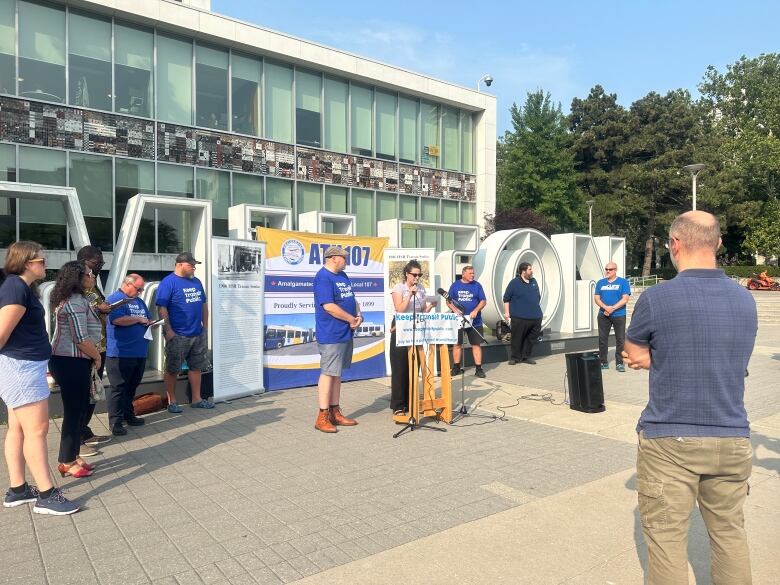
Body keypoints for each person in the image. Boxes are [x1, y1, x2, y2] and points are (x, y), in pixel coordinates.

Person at [623, 211, 757, 585]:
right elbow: (735, 360)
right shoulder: (745, 300)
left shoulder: (656, 298)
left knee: (666, 541)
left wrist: (657, 357)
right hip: (732, 436)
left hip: (670, 439)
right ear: (717, 244)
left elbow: (634, 353)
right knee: (730, 535)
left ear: (675, 244)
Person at [0, 242, 79, 515]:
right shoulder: (15, 287)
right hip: (22, 367)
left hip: (21, 365)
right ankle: (46, 495)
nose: (45, 265)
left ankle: (18, 489)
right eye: (41, 261)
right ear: (25, 262)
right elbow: (1, 332)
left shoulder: (21, 287)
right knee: (37, 430)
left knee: (18, 429)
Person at [50, 261, 102, 480]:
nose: (93, 277)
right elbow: (80, 339)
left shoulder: (80, 300)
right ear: (78, 278)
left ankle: (74, 454)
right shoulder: (73, 303)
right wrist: (97, 356)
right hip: (70, 361)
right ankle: (66, 460)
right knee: (74, 412)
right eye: (89, 274)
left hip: (77, 361)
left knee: (80, 409)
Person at [312, 246, 361, 433]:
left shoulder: (343, 276)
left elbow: (352, 300)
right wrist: (350, 319)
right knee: (328, 372)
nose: (347, 260)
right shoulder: (323, 277)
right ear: (333, 258)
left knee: (337, 373)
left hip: (345, 332)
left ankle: (335, 411)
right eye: (344, 258)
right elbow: (329, 306)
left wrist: (359, 315)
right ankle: (322, 415)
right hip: (331, 333)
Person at [156, 252, 213, 412]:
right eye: (191, 265)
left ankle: (197, 399)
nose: (194, 267)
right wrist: (168, 331)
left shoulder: (196, 282)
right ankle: (172, 401)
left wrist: (205, 328)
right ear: (180, 264)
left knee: (197, 367)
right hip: (178, 334)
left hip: (198, 333)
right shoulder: (168, 283)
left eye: (194, 265)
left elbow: (203, 305)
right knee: (173, 368)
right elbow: (162, 307)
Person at [76, 245, 112, 454]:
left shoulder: (94, 281)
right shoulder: (76, 282)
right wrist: (99, 308)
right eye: (96, 261)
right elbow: (75, 308)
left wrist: (104, 309)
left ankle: (85, 429)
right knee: (83, 394)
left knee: (93, 393)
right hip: (87, 348)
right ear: (84, 261)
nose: (100, 265)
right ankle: (76, 439)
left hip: (101, 345)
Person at [105, 274, 151, 436]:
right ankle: (115, 421)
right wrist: (138, 319)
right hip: (120, 352)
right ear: (127, 284)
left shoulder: (138, 301)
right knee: (118, 387)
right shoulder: (115, 299)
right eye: (138, 289)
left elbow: (146, 318)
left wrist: (150, 323)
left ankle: (128, 414)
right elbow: (117, 320)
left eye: (141, 289)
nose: (140, 292)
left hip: (139, 351)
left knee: (132, 386)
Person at [389, 260, 436, 416]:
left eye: (419, 274)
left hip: (415, 327)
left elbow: (421, 310)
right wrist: (410, 293)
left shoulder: (421, 288)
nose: (417, 277)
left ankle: (411, 401)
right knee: (400, 367)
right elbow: (400, 309)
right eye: (414, 274)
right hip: (401, 327)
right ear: (407, 274)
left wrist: (430, 306)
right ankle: (398, 405)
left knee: (413, 366)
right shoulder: (399, 288)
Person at [447, 266, 487, 378]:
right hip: (458, 320)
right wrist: (455, 310)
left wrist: (476, 310)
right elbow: (448, 301)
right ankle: (456, 367)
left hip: (475, 321)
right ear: (463, 274)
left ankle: (479, 369)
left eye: (473, 273)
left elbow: (483, 301)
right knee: (457, 344)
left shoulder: (477, 285)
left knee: (476, 344)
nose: (472, 275)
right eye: (470, 273)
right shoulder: (455, 285)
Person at [594, 262, 631, 372]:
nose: (608, 271)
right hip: (603, 315)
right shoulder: (600, 283)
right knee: (602, 339)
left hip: (619, 315)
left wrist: (612, 308)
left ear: (615, 270)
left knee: (620, 339)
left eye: (610, 269)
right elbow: (596, 298)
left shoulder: (623, 282)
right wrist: (606, 308)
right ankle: (603, 362)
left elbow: (625, 299)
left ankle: (619, 363)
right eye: (606, 269)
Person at [503, 262, 543, 365]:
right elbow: (506, 299)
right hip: (519, 317)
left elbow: (537, 296)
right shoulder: (514, 283)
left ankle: (526, 357)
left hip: (536, 317)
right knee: (517, 338)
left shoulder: (534, 281)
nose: (532, 271)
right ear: (523, 271)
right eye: (530, 269)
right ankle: (515, 358)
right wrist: (507, 313)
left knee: (531, 339)